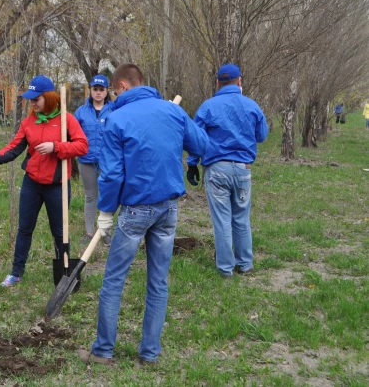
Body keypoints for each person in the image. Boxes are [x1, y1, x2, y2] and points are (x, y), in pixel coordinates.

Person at [77, 63, 208, 365]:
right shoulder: (171, 111)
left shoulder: (116, 119)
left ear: (122, 86)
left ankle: (103, 351)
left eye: (113, 89)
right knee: (158, 282)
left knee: (113, 280)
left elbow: (111, 175)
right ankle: (149, 354)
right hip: (169, 208)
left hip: (136, 210)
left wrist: (106, 211)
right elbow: (201, 144)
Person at [0, 75, 88, 287]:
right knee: (25, 228)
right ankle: (16, 273)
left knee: (60, 232)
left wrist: (56, 147)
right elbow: (14, 148)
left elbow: (82, 146)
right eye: (31, 99)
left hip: (57, 186)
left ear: (49, 97)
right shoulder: (29, 122)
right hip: (32, 184)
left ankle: (64, 273)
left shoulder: (67, 120)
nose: (33, 103)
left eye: (37, 99)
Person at [186, 63, 268, 278]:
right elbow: (261, 136)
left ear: (217, 83)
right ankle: (245, 264)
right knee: (241, 217)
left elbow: (195, 137)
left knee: (222, 219)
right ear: (239, 81)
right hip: (242, 169)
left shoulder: (208, 106)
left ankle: (225, 269)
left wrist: (192, 163)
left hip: (217, 170)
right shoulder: (251, 106)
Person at [74, 74, 113, 246]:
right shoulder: (81, 112)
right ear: (90, 90)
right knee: (90, 197)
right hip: (86, 161)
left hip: (107, 162)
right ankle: (90, 233)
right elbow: (73, 134)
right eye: (95, 89)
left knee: (107, 196)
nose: (98, 93)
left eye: (101, 89)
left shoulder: (114, 110)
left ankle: (105, 232)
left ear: (106, 91)